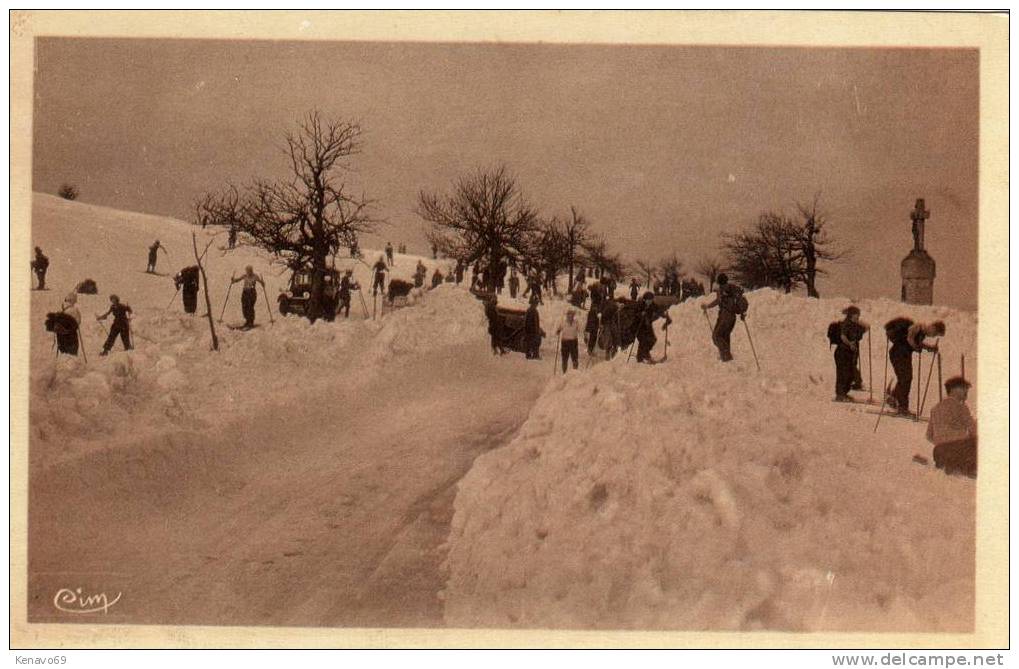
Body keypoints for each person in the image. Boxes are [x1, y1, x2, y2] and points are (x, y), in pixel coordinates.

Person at [887, 319, 945, 415]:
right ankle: (902, 406)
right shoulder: (918, 326)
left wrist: (929, 348)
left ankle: (893, 397)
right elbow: (910, 339)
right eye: (934, 333)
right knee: (905, 378)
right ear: (932, 327)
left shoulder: (922, 332)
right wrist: (915, 347)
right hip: (898, 353)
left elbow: (917, 343)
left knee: (905, 378)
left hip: (903, 354)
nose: (933, 336)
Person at [926, 376, 976, 478]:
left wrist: (943, 439)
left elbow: (929, 436)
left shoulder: (935, 408)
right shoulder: (961, 407)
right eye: (964, 389)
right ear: (955, 390)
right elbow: (974, 429)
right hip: (958, 450)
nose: (966, 393)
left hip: (939, 452)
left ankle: (951, 466)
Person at [700, 273, 747, 362]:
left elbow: (718, 301)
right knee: (725, 336)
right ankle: (727, 359)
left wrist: (707, 306)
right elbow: (739, 300)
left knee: (716, 336)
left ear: (719, 282)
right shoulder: (733, 289)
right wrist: (741, 313)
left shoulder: (722, 289)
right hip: (732, 317)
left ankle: (726, 357)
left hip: (725, 316)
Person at [833, 306, 868, 402]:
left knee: (849, 373)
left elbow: (867, 327)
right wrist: (850, 344)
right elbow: (843, 336)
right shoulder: (846, 324)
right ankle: (840, 395)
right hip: (842, 352)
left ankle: (844, 393)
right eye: (856, 315)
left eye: (858, 315)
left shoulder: (855, 325)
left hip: (850, 353)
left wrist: (859, 322)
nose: (858, 317)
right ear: (851, 315)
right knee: (842, 374)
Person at [635, 292, 671, 363]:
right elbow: (635, 314)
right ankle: (640, 358)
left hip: (648, 325)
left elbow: (659, 310)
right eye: (648, 300)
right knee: (643, 341)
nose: (650, 302)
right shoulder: (640, 305)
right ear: (644, 300)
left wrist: (664, 315)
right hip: (639, 326)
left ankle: (645, 354)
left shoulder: (652, 305)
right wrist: (640, 314)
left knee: (652, 340)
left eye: (651, 300)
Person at [555, 308, 581, 373]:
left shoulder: (576, 323)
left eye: (572, 315)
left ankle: (575, 372)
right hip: (565, 342)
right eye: (569, 315)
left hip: (573, 342)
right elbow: (558, 330)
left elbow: (580, 330)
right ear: (567, 315)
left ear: (573, 316)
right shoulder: (563, 322)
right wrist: (558, 331)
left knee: (575, 358)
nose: (570, 316)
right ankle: (564, 373)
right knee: (564, 359)